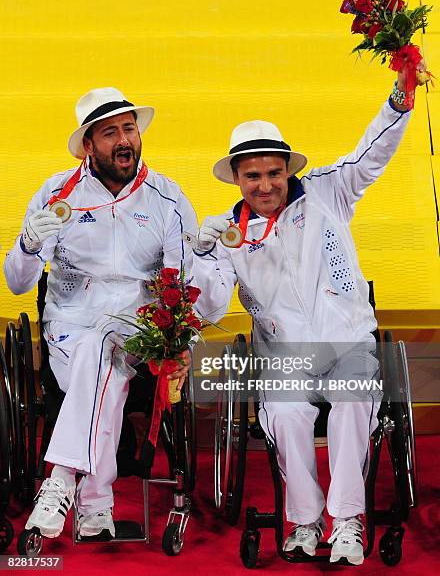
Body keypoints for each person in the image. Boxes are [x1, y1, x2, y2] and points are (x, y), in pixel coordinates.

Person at [191, 67, 425, 565]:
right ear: (236, 178)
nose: (265, 184)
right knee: (287, 413)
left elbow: (371, 155)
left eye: (274, 172)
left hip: (347, 346)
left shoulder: (326, 192)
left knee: (354, 402)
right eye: (252, 175)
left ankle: (346, 523)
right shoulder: (228, 236)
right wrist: (200, 257)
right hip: (284, 359)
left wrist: (399, 99)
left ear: (287, 169)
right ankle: (304, 520)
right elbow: (208, 306)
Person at [4, 87, 196, 539]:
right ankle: (94, 505)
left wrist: (178, 338)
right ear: (88, 145)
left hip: (137, 330)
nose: (124, 140)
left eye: (129, 128)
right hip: (70, 326)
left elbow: (184, 279)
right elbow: (17, 282)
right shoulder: (56, 193)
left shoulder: (167, 197)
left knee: (106, 347)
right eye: (110, 133)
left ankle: (63, 481)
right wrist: (29, 244)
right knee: (97, 354)